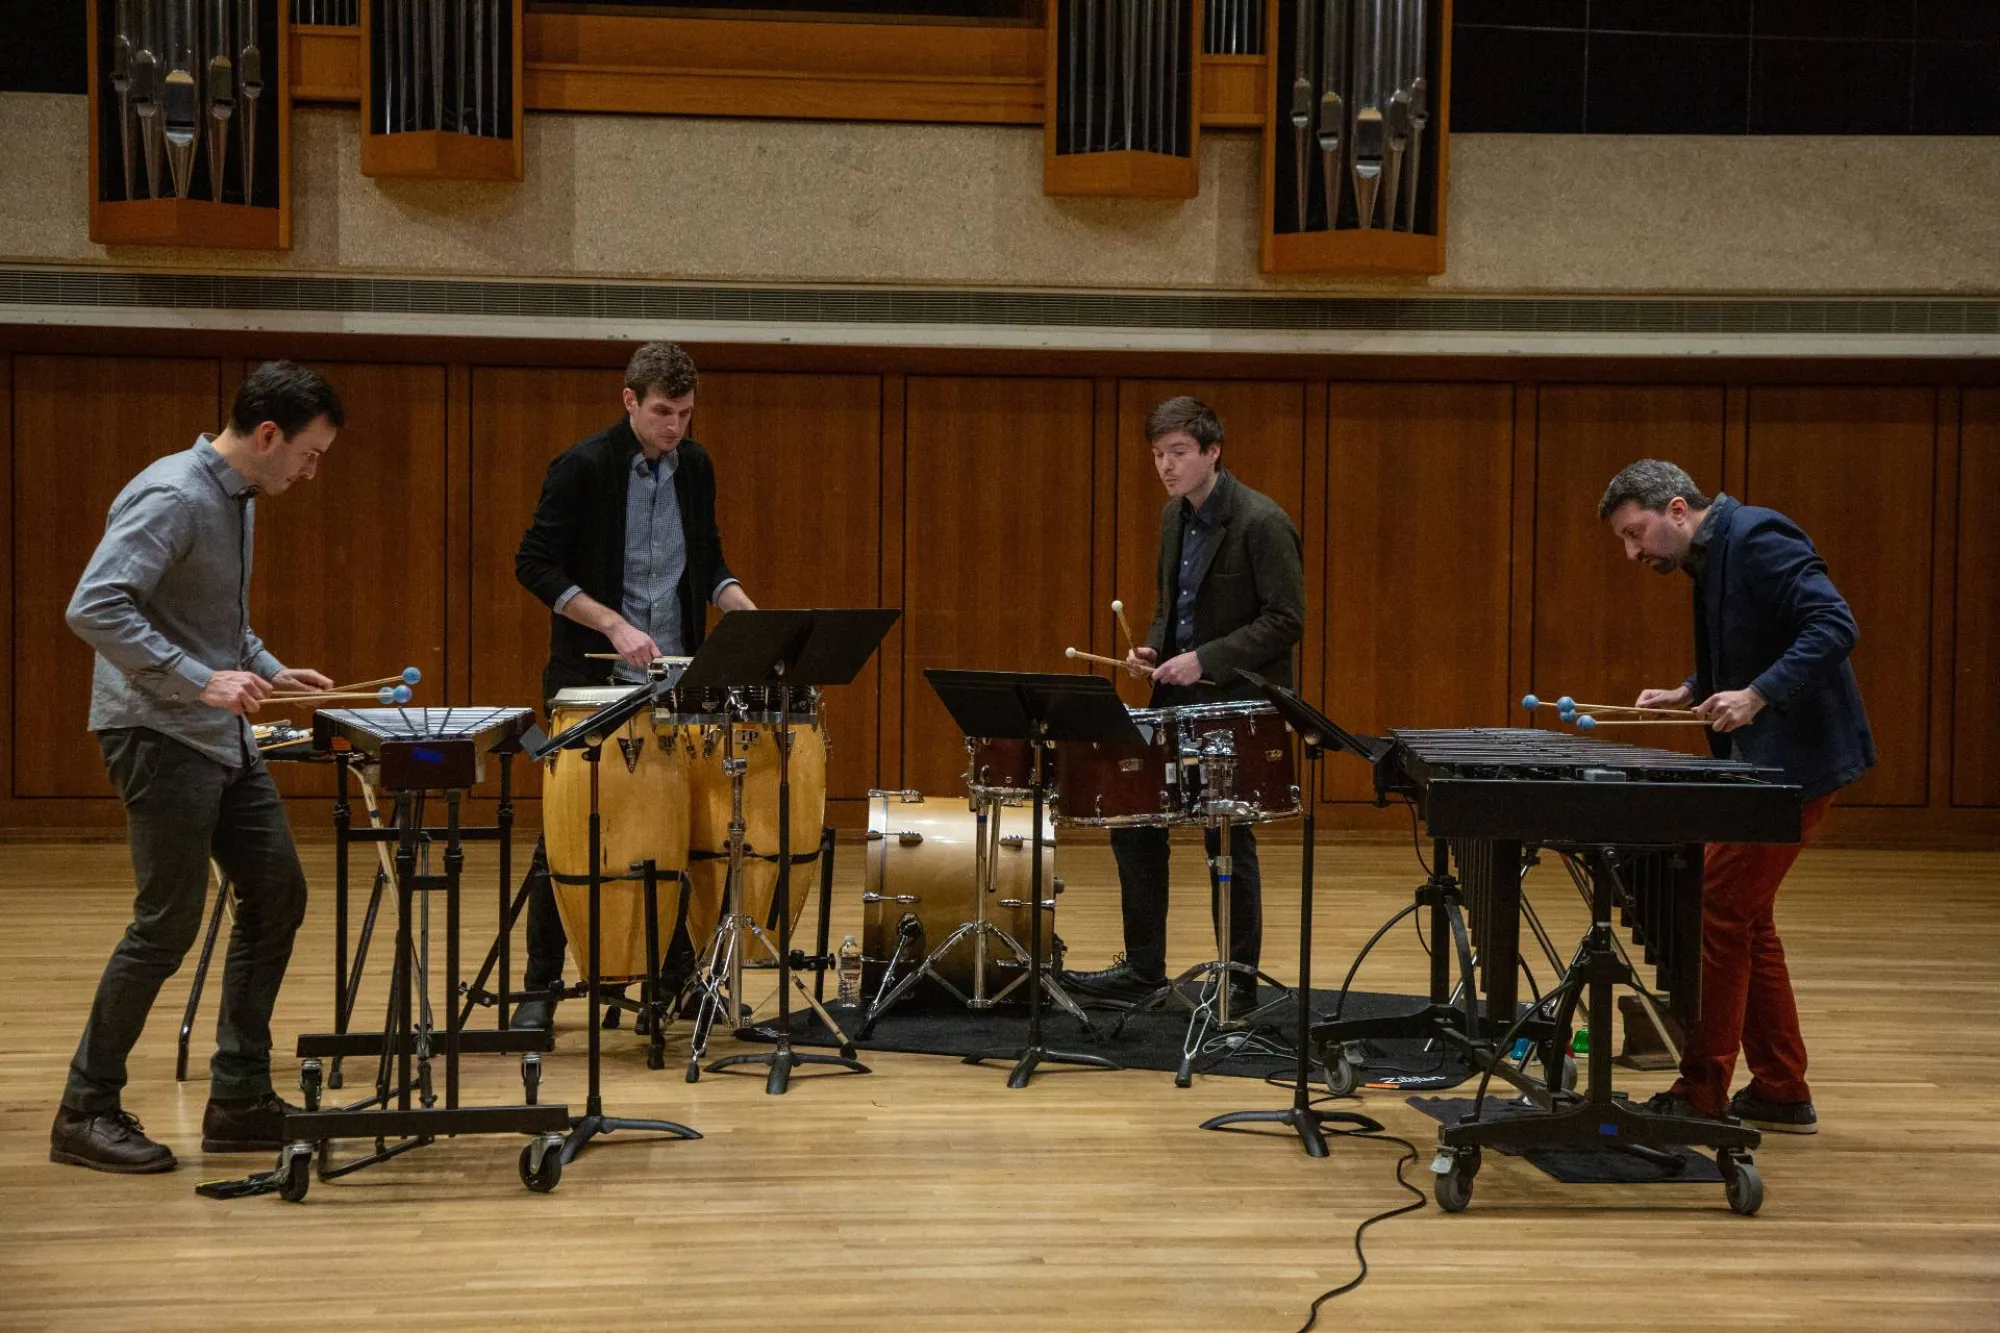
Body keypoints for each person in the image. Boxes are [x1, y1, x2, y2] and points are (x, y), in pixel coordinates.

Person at [51, 361, 343, 1174]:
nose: (311, 471)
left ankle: (240, 1097)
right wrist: (202, 678)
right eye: (309, 454)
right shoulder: (174, 494)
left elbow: (211, 623)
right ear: (267, 435)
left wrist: (269, 668)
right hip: (156, 730)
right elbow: (95, 605)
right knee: (166, 924)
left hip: (218, 735)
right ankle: (85, 1108)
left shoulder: (239, 498)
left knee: (276, 891)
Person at [1600, 458, 1875, 1134]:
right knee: (1746, 920)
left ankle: (1702, 1092)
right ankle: (1781, 1087)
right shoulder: (1712, 554)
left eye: (1636, 534)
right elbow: (1757, 632)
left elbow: (1833, 626)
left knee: (1716, 910)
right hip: (1769, 769)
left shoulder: (1756, 537)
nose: (1634, 552)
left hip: (1796, 767)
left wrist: (1756, 695)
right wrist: (1693, 688)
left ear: (1676, 509)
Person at [511, 342, 756, 1031]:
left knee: (670, 823)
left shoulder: (696, 466)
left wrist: (746, 609)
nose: (674, 426)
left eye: (684, 413)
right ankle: (539, 984)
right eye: (661, 412)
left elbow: (706, 563)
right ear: (629, 401)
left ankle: (669, 975)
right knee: (566, 831)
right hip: (590, 678)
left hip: (672, 677)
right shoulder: (584, 466)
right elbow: (533, 563)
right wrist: (610, 622)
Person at [1061, 397, 1304, 1013]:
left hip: (1238, 704)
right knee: (1134, 824)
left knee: (1227, 839)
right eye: (1157, 455)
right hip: (1176, 697)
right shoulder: (1174, 519)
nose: (1166, 467)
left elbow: (1285, 620)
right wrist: (1157, 649)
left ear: (1212, 452)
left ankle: (1239, 980)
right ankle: (1144, 970)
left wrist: (1205, 658)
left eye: (1178, 454)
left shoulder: (1262, 522)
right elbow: (1176, 606)